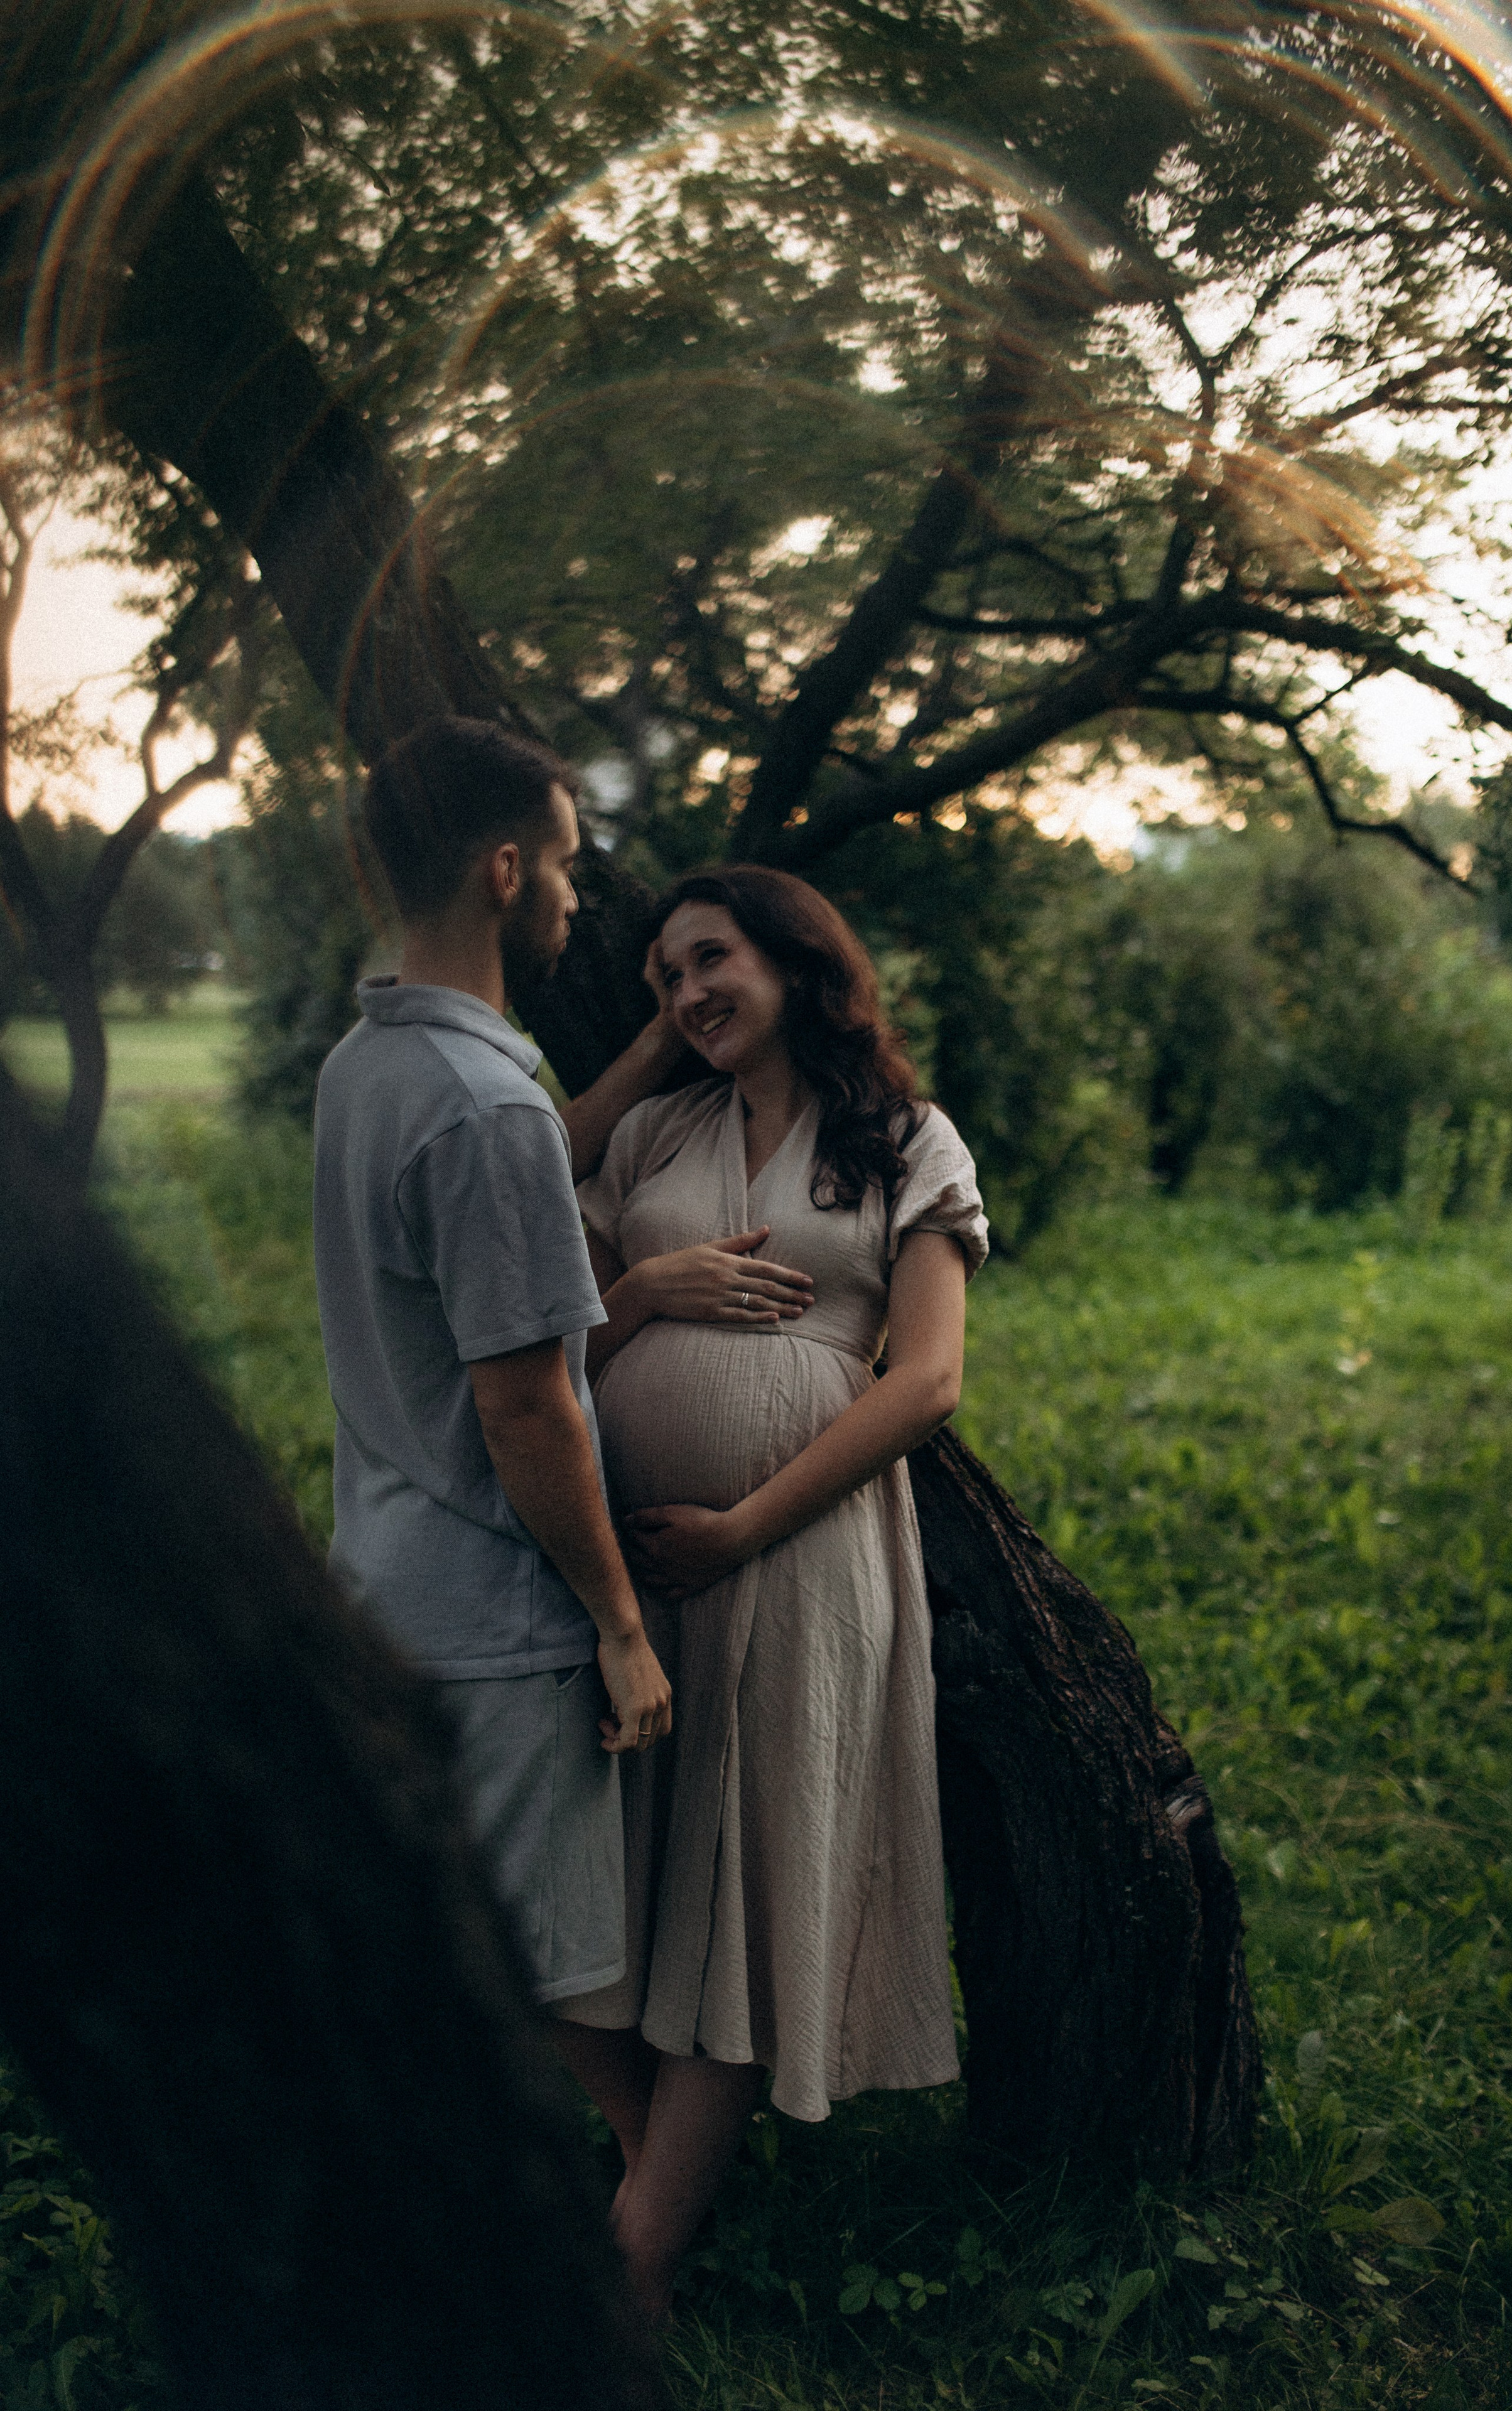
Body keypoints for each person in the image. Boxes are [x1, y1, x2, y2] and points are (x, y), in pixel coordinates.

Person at [555, 865, 988, 2321]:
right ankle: (656, 2183)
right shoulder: (651, 1134)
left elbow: (925, 1381)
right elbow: (547, 1343)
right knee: (602, 1881)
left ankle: (631, 2269)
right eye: (664, 979)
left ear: (798, 960)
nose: (689, 994)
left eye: (710, 961)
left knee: (743, 1884)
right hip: (624, 1575)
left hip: (800, 1558)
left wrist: (740, 1527)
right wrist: (647, 1291)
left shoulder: (905, 1140)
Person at [312, 715, 678, 2022]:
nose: (577, 896)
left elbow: (497, 1187)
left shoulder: (369, 1067)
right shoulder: (485, 1107)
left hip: (392, 1585)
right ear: (505, 872)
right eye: (567, 865)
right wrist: (620, 1627)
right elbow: (525, 1405)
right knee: (527, 2003)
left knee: (443, 1980)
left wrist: (646, 1058)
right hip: (503, 1626)